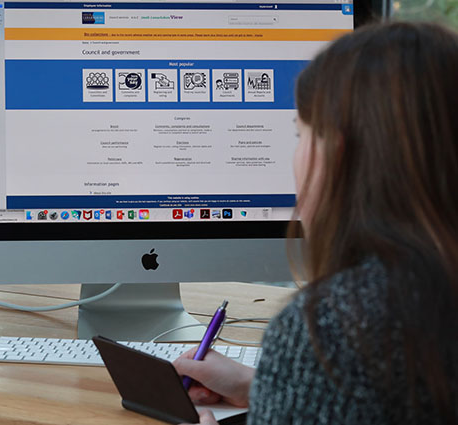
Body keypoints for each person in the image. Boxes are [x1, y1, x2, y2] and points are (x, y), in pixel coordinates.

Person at [173, 21, 458, 425]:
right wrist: (268, 387)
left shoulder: (331, 331)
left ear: (337, 154)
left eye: (299, 133)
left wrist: (295, 368)